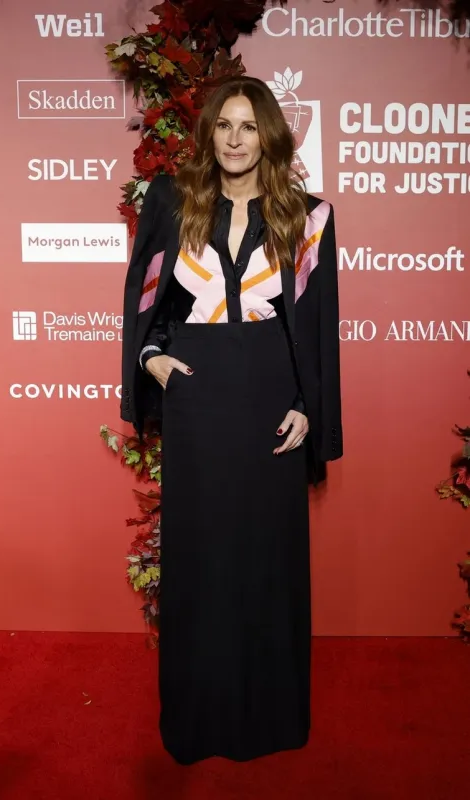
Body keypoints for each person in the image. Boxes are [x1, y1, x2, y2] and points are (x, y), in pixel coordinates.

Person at [121, 75, 343, 765]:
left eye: (249, 126)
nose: (237, 139)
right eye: (225, 126)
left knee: (267, 565)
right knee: (201, 564)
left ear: (269, 135)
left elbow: (316, 330)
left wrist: (310, 405)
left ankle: (269, 719)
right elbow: (145, 297)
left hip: (271, 408)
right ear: (209, 133)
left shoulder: (308, 217)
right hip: (199, 404)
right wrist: (152, 359)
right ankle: (199, 720)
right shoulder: (170, 202)